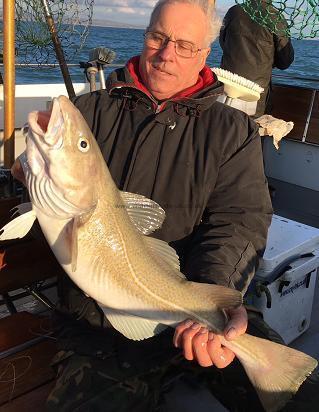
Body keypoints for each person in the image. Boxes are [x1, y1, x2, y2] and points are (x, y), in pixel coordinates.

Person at [10, 1, 317, 411]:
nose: (167, 53)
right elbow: (52, 185)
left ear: (205, 55)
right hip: (101, 325)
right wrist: (29, 168)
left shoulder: (232, 131)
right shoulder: (92, 110)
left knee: (298, 393)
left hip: (194, 301)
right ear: (145, 36)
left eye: (185, 45)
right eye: (158, 37)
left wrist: (217, 295)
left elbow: (239, 220)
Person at [219, 1, 294, 118]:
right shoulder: (275, 16)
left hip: (225, 87)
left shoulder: (234, 11)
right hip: (255, 94)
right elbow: (285, 61)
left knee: (221, 122)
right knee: (251, 129)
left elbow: (223, 42)